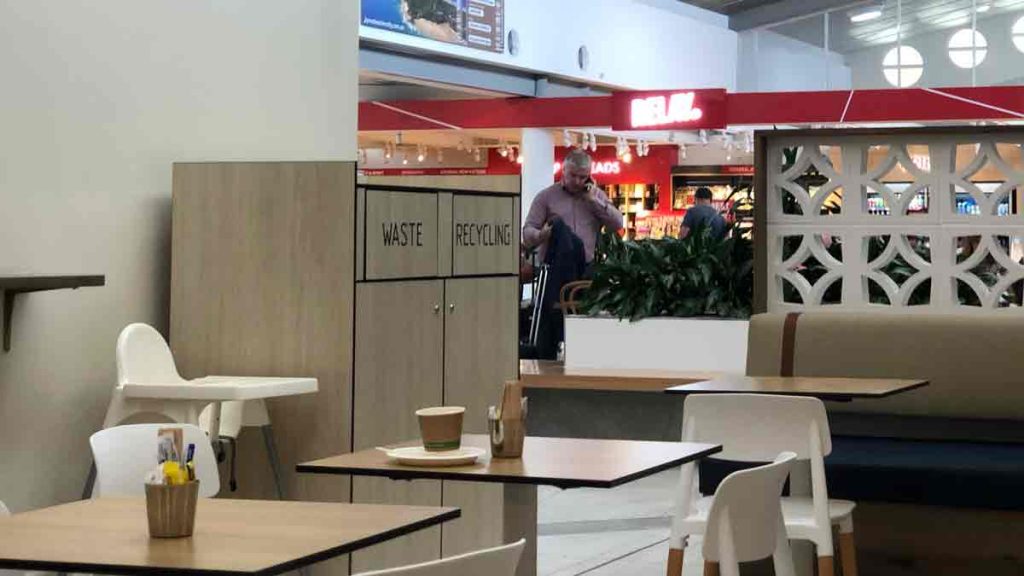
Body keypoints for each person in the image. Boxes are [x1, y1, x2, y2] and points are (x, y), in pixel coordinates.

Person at [522, 148, 624, 265]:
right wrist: (540, 235)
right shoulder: (546, 196)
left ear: (589, 177)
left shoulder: (597, 196)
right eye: (573, 175)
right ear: (564, 170)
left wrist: (594, 201)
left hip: (585, 266)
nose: (577, 181)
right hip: (554, 266)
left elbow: (618, 223)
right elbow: (527, 232)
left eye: (582, 177)